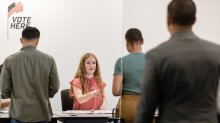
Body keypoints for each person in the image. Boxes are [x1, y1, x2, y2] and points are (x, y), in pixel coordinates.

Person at [134, 0, 220, 123]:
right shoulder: (216, 53)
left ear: (168, 19)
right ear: (194, 19)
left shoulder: (156, 55)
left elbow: (146, 108)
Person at [0, 26, 60, 123]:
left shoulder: (10, 60)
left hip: (19, 112)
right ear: (38, 41)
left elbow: (4, 87)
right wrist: (45, 94)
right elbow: (55, 86)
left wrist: (7, 95)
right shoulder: (49, 59)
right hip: (41, 112)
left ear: (21, 40)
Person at [112, 28, 145, 123]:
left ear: (127, 43)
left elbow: (116, 91)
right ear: (142, 41)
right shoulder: (152, 60)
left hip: (127, 108)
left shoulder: (121, 61)